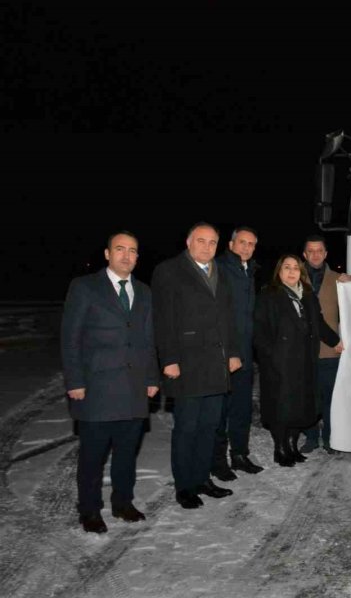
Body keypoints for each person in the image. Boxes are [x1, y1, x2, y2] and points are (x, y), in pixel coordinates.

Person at [60, 231, 159, 534]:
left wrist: (152, 377)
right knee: (93, 456)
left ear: (137, 257)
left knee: (127, 453)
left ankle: (123, 503)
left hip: (133, 388)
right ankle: (90, 510)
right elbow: (70, 338)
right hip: (97, 389)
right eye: (120, 249)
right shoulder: (84, 287)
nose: (126, 255)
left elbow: (148, 338)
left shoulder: (144, 291)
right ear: (107, 254)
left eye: (132, 250)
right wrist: (75, 381)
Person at [152, 222, 241, 509]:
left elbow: (228, 316)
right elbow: (163, 319)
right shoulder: (169, 270)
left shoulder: (220, 272)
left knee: (209, 426)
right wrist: (169, 359)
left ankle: (202, 479)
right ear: (189, 242)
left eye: (212, 242)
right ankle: (185, 486)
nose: (207, 247)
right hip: (186, 363)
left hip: (216, 364)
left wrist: (233, 352)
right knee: (187, 428)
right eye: (201, 241)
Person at [253, 254, 342, 467]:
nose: (291, 272)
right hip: (279, 363)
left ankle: (292, 445)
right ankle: (280, 448)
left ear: (300, 273)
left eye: (295, 268)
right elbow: (259, 332)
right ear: (279, 271)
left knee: (299, 406)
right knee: (280, 406)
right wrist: (271, 356)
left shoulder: (308, 295)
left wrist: (335, 341)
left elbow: (319, 324)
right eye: (287, 267)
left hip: (304, 361)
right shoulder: (269, 295)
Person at [211, 226, 264, 480]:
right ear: (231, 245)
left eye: (251, 244)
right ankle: (217, 461)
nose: (246, 247)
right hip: (224, 353)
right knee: (220, 411)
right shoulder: (219, 268)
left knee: (242, 409)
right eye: (242, 242)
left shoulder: (250, 271)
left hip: (245, 353)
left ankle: (240, 455)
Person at [300, 235, 351, 455]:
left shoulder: (338, 279)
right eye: (310, 251)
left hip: (330, 349)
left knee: (331, 398)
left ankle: (330, 438)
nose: (315, 255)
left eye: (319, 250)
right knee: (307, 397)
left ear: (325, 254)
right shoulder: (293, 276)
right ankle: (311, 437)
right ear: (304, 254)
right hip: (302, 351)